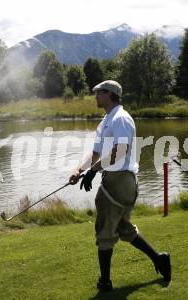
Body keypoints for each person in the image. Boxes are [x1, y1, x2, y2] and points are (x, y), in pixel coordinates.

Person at [69, 80, 171, 292]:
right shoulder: (106, 120)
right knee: (122, 227)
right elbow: (96, 152)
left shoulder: (121, 118)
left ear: (109, 94)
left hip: (120, 179)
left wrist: (94, 171)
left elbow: (121, 150)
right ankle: (159, 258)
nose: (95, 96)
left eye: (98, 93)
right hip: (114, 178)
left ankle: (105, 283)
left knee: (104, 230)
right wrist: (79, 170)